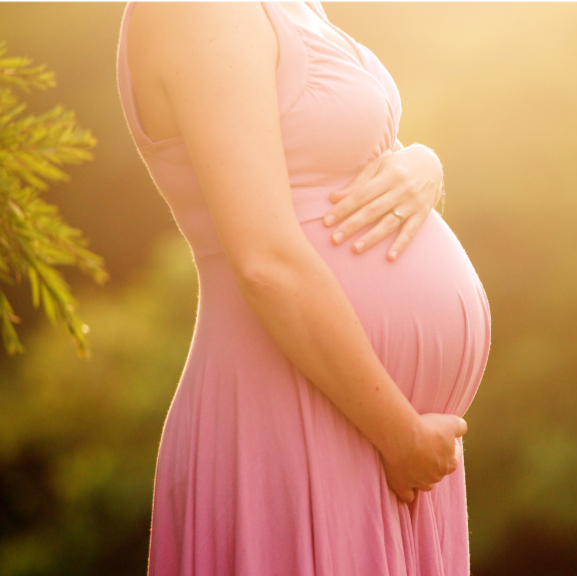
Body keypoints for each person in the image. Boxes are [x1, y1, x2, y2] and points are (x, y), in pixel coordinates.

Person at [116, 2, 491, 574]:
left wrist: (422, 164)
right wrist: (400, 435)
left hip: (385, 438)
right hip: (303, 418)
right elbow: (265, 259)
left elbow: (325, 155)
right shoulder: (200, 11)